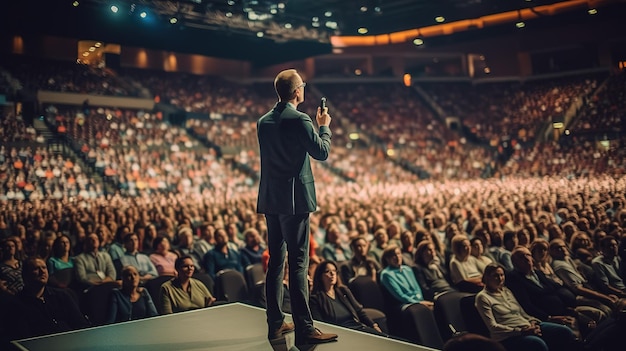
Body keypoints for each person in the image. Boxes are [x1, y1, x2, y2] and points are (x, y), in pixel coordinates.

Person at [257, 69, 337, 345]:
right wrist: (323, 126)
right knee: (299, 264)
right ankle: (305, 327)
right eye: (302, 85)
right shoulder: (301, 119)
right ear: (297, 92)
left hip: (271, 200)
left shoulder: (263, 121)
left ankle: (275, 324)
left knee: (276, 264)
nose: (304, 88)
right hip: (295, 201)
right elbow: (322, 152)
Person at [475, 263, 579, 351]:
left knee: (564, 331)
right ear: (487, 277)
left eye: (502, 275)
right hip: (508, 336)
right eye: (495, 276)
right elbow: (493, 327)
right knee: (537, 343)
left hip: (526, 325)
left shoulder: (506, 291)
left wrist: (533, 322)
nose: (500, 279)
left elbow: (521, 313)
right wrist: (521, 331)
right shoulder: (483, 297)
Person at [9, 257, 90, 339]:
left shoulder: (62, 295)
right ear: (25, 275)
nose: (42, 271)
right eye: (36, 268)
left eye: (44, 267)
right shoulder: (17, 304)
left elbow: (81, 324)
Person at [309, 260, 385, 336]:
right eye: (327, 271)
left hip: (358, 328)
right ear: (320, 276)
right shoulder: (315, 299)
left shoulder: (343, 291)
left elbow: (359, 311)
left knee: (386, 338)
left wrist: (373, 325)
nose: (332, 274)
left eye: (334, 271)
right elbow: (321, 326)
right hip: (341, 335)